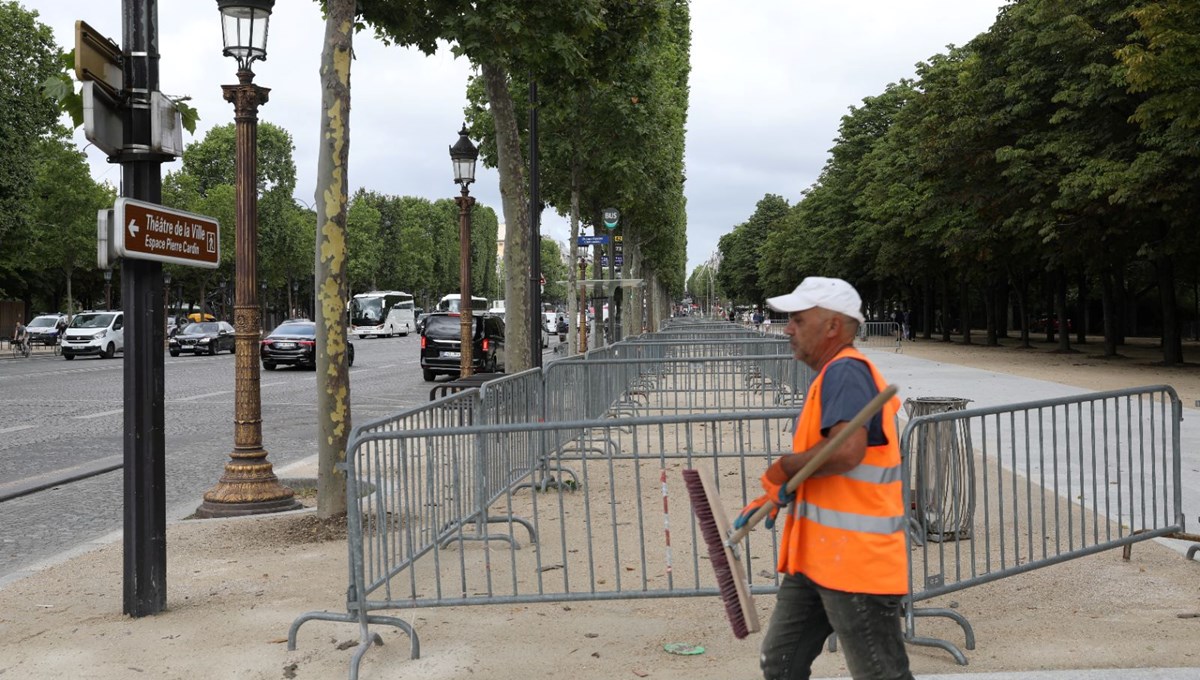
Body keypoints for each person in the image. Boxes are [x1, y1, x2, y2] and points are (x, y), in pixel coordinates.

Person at [734, 276, 911, 680]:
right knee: (780, 663)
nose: (787, 329)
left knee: (881, 674)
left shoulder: (846, 371)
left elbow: (846, 451)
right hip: (817, 560)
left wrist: (786, 468)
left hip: (854, 564)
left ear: (832, 326)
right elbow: (829, 464)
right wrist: (783, 489)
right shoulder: (832, 374)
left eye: (797, 319)